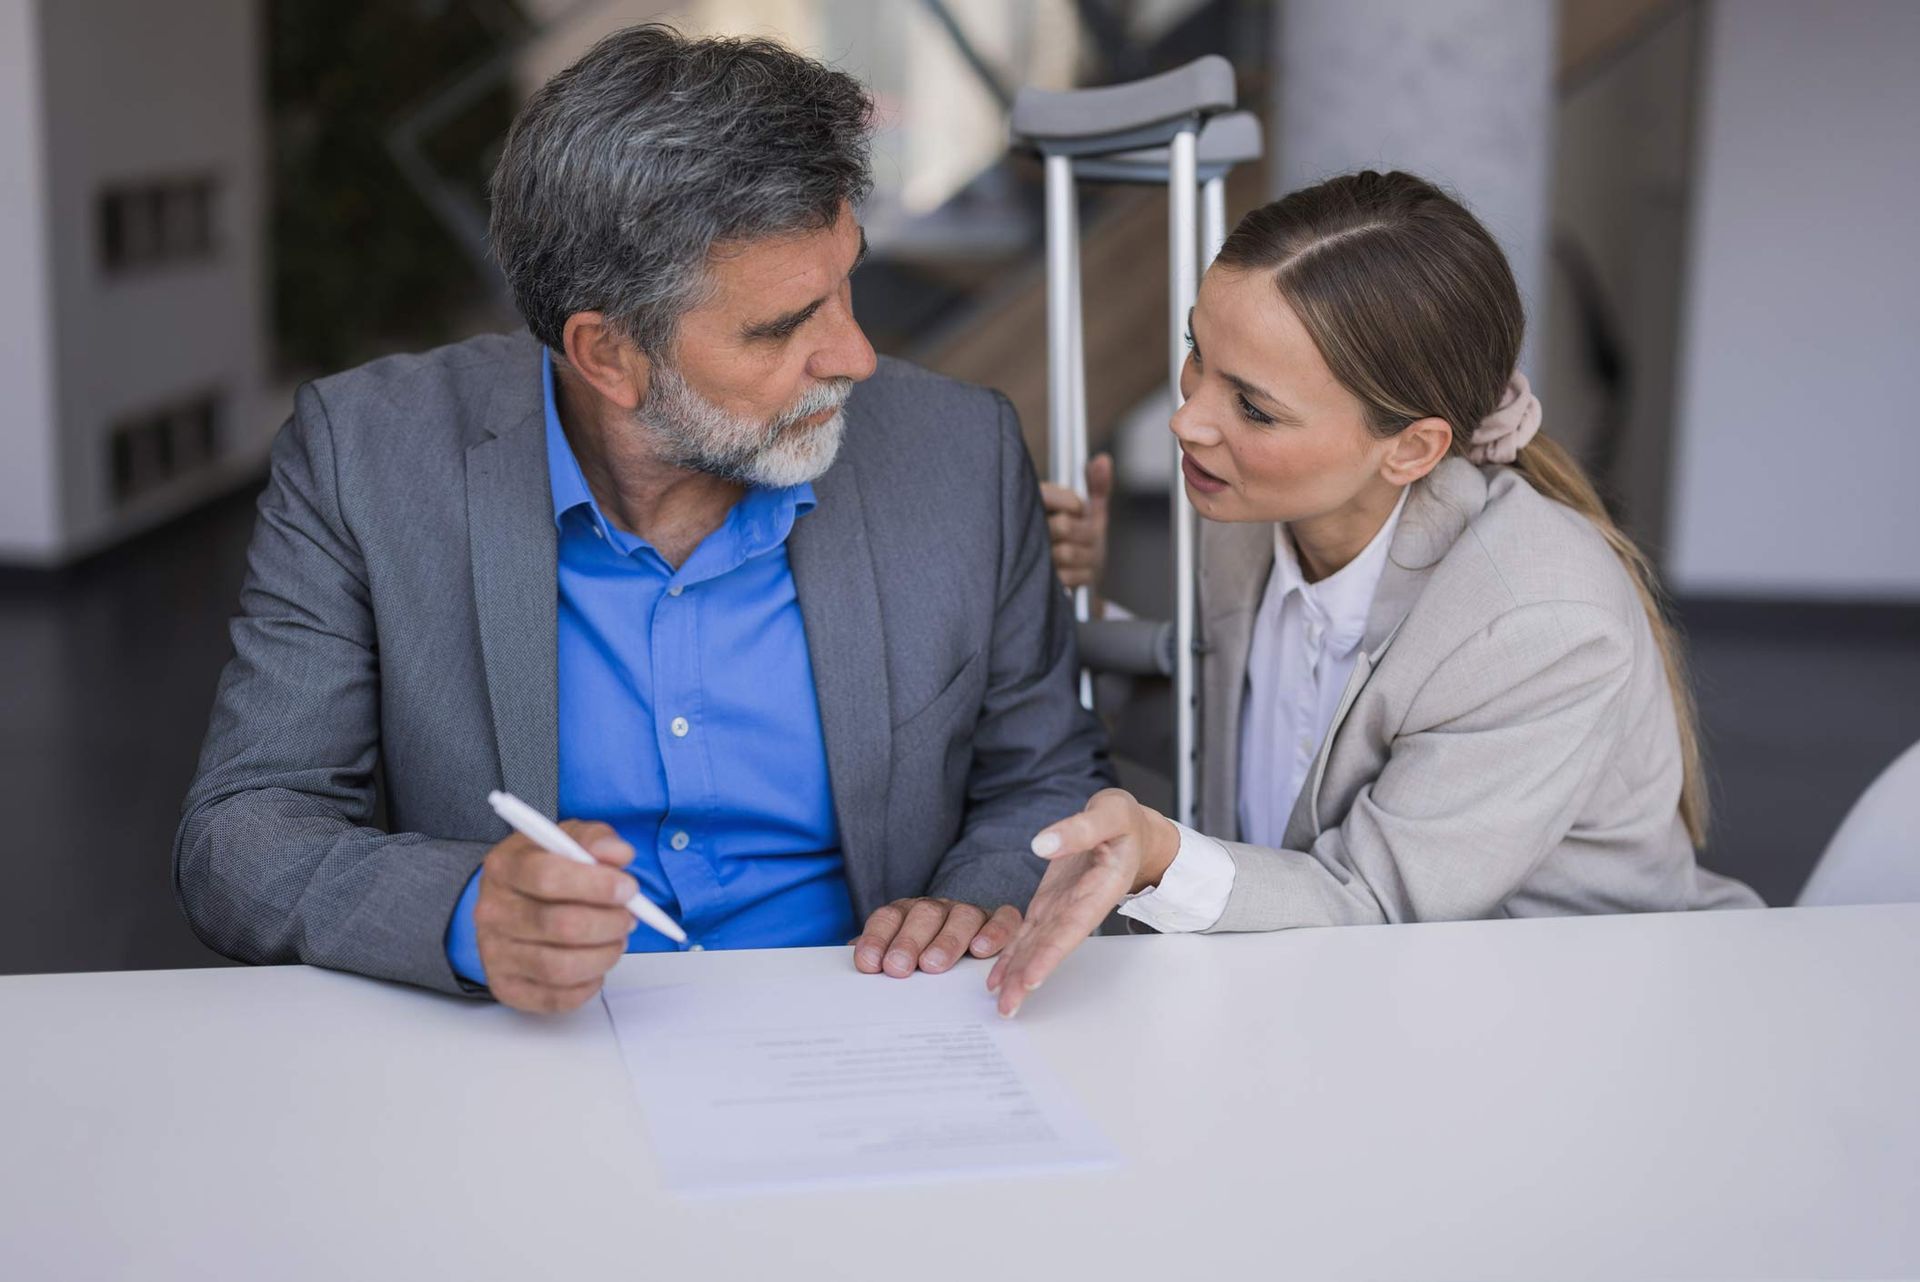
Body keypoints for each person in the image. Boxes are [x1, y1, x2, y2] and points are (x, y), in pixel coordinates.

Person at [174, 25, 1110, 1013]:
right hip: (525, 1061)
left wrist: (977, 901)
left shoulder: (960, 452)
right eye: (785, 327)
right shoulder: (363, 457)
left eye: (848, 284)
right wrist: (465, 915)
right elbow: (243, 833)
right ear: (609, 356)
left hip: (870, 1033)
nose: (856, 356)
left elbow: (1047, 777)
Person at [1001, 170, 1760, 1015]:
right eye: (1197, 357)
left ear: (1411, 449)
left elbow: (1375, 901)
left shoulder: (1539, 623)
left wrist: (1162, 859)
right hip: (1342, 1006)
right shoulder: (1249, 515)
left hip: (1565, 1019)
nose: (1188, 420)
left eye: (1252, 407)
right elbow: (1238, 731)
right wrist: (1054, 599)